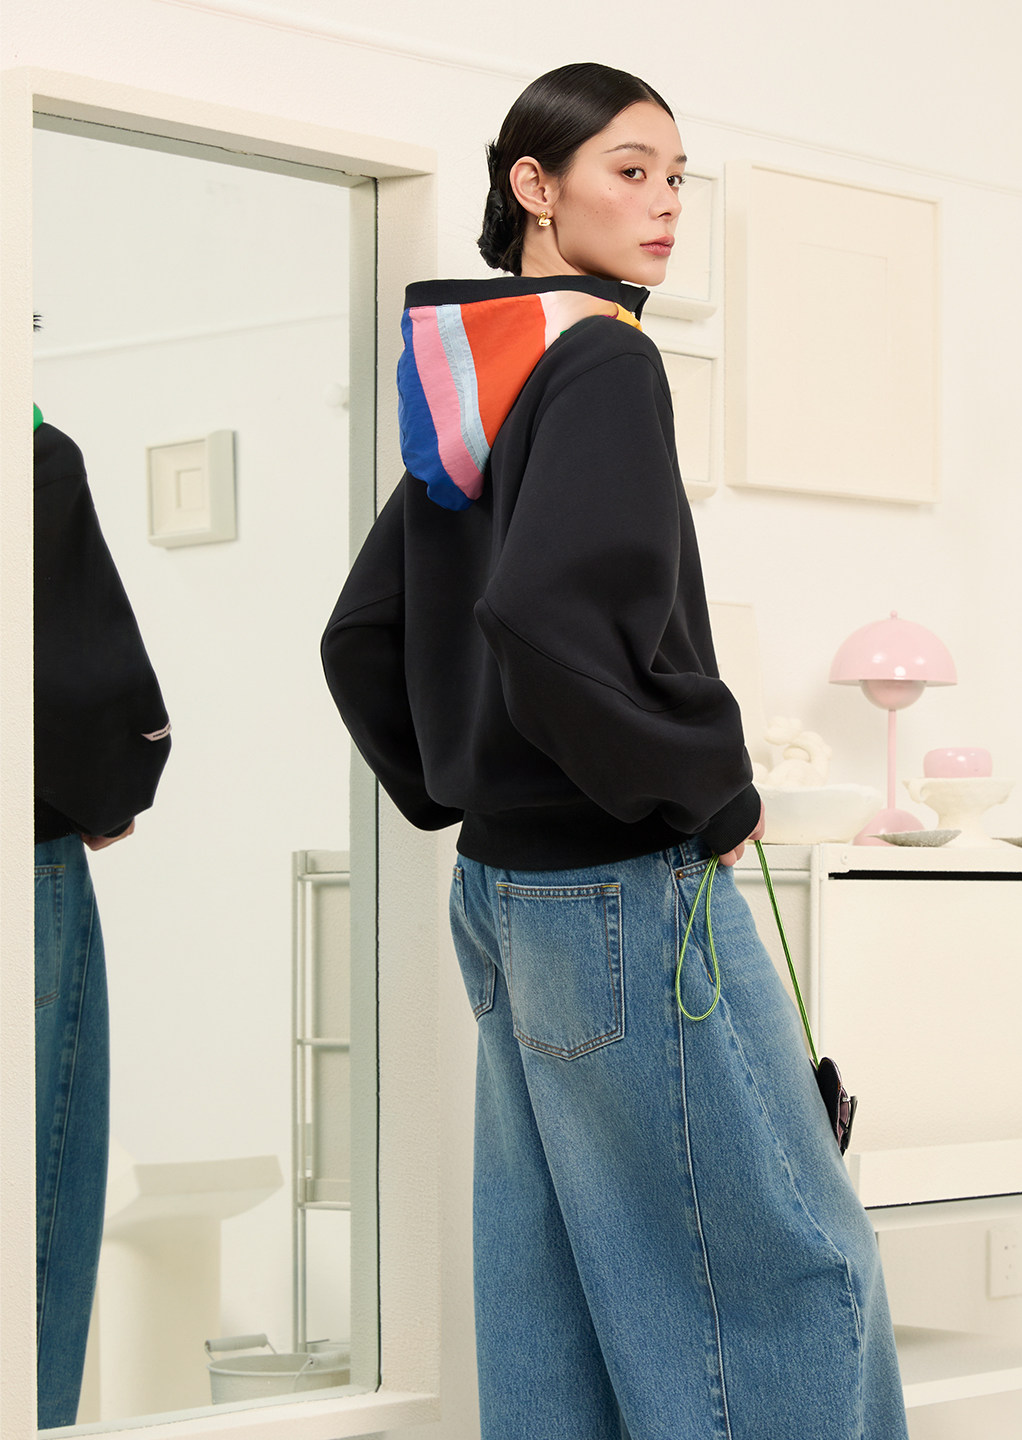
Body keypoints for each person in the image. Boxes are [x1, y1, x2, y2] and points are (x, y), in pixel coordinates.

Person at [320, 62, 910, 1439]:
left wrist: (465, 783)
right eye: (629, 171)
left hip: (504, 891)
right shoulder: (603, 356)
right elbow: (546, 622)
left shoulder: (478, 374)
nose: (664, 204)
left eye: (677, 178)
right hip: (624, 889)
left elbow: (362, 636)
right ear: (535, 187)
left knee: (559, 1290)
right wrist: (703, 787)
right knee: (788, 1272)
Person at [33, 393, 172, 1428]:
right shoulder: (28, 452)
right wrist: (116, 787)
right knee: (32, 1213)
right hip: (21, 863)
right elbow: (75, 684)